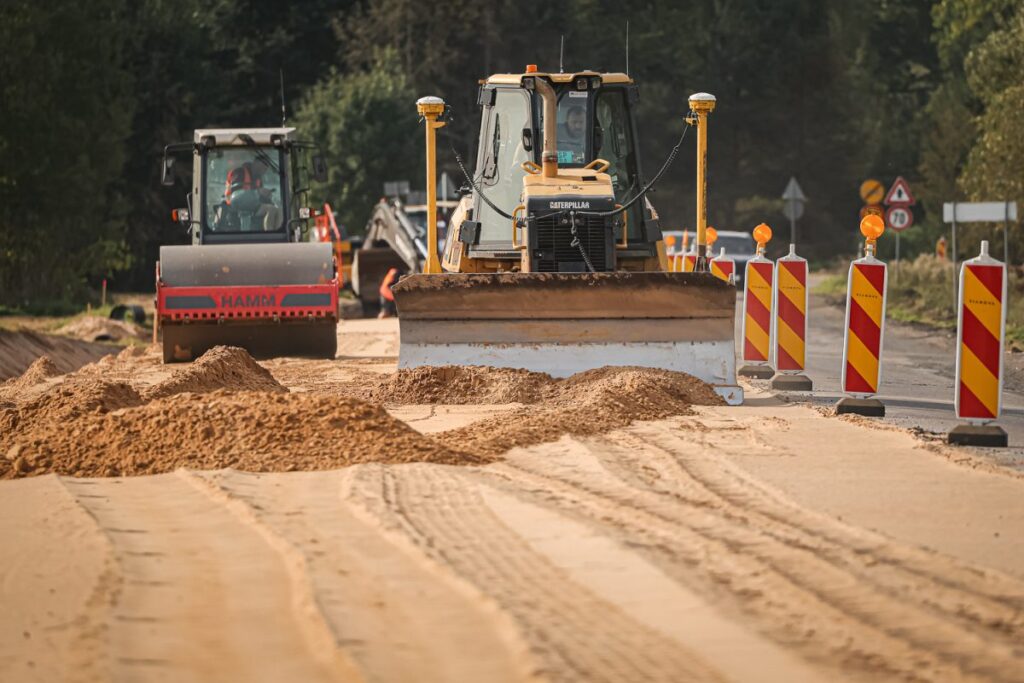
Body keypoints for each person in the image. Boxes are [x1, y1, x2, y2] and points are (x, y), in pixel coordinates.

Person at [223, 157, 282, 231]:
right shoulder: (239, 172)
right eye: (263, 166)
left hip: (254, 208)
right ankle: (269, 235)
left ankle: (279, 235)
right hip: (235, 209)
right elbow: (235, 197)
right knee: (271, 210)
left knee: (278, 210)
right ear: (255, 163)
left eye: (265, 168)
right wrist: (258, 192)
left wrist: (267, 197)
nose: (264, 170)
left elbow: (260, 198)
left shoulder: (258, 178)